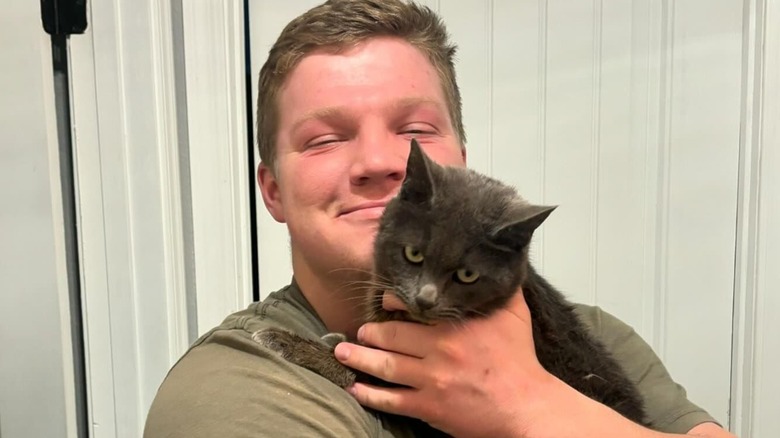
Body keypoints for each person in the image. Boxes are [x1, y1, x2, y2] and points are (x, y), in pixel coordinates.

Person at [144, 1, 735, 437]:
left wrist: (531, 403)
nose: (381, 162)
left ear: (460, 166)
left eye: (415, 131)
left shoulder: (595, 335)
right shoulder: (241, 390)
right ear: (271, 191)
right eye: (325, 138)